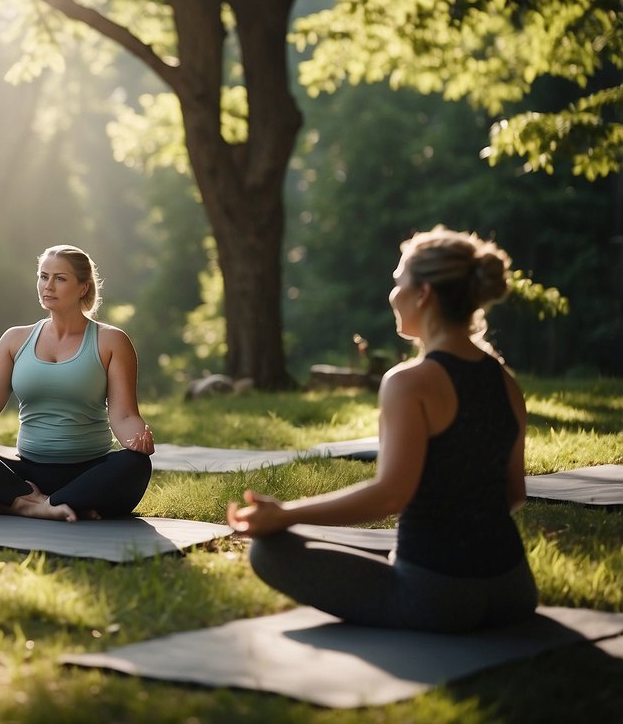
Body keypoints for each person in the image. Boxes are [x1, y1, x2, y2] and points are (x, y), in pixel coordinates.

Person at [226, 225, 537, 633]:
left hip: (437, 599)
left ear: (423, 293)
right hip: (514, 591)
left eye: (398, 281)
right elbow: (514, 494)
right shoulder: (505, 381)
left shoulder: (408, 382)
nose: (393, 294)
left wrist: (286, 514)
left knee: (269, 553)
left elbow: (390, 495)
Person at [0, 244, 154, 522]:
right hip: (27, 474)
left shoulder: (111, 340)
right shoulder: (15, 339)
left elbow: (125, 414)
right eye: (43, 276)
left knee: (135, 464)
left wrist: (136, 439)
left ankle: (18, 504)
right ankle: (52, 504)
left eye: (60, 278)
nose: (48, 286)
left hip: (89, 471)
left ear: (83, 287)